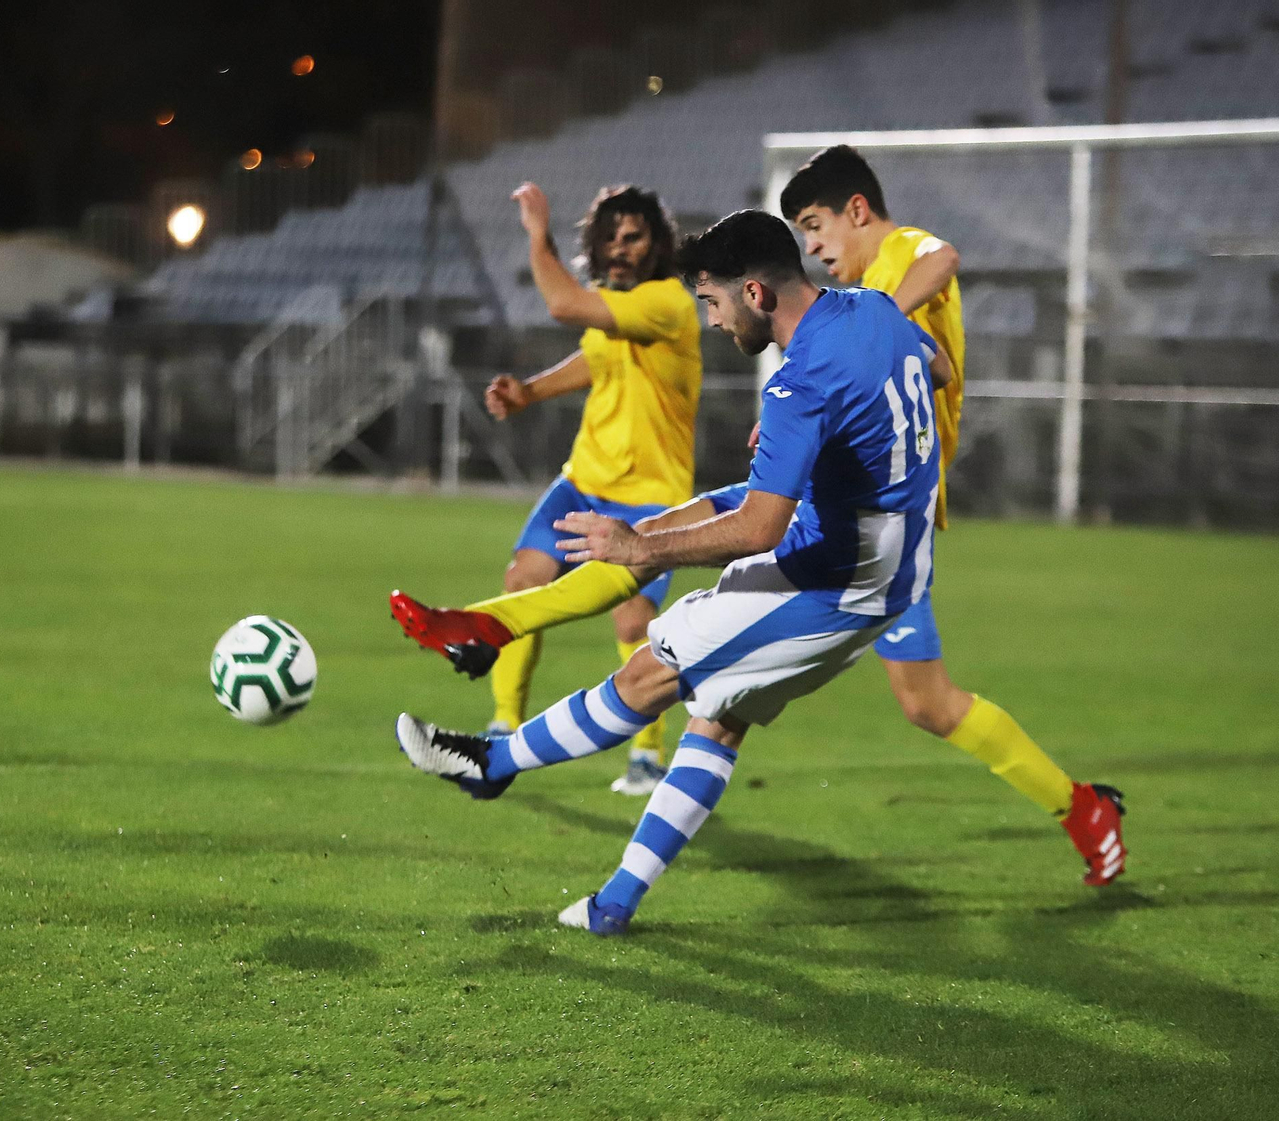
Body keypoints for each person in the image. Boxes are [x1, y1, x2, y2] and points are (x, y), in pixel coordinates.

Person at [391, 147, 1126, 889]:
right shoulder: (858, 309)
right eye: (801, 235)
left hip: (866, 536)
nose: (814, 247)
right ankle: (499, 639)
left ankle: (497, 737)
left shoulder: (888, 270)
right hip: (871, 510)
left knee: (670, 613)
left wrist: (851, 353)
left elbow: (941, 258)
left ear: (858, 212)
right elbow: (934, 365)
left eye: (817, 226)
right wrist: (860, 350)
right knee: (888, 695)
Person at [400, 182, 702, 796]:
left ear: (657, 243)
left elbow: (563, 306)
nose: (620, 247)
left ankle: (646, 754)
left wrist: (537, 237)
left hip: (651, 495)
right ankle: (503, 723)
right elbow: (595, 357)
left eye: (634, 235)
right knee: (521, 581)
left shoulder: (666, 300)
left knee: (632, 622)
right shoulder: (616, 311)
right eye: (611, 236)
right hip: (584, 483)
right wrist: (531, 391)